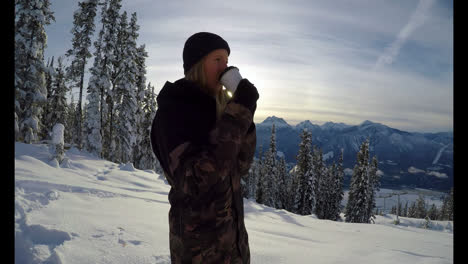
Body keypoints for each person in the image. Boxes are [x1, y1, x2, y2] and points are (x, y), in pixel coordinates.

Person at [150, 32, 259, 263]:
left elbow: (240, 165)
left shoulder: (219, 108)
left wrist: (244, 118)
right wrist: (237, 116)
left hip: (233, 242)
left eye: (227, 62)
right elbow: (196, 181)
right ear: (197, 64)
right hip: (198, 248)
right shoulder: (174, 111)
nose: (225, 68)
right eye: (217, 60)